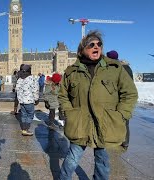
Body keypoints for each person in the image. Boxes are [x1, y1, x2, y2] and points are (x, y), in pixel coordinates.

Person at [58, 30, 138, 180]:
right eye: (91, 44)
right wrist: (69, 112)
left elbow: (130, 93)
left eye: (99, 44)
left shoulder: (114, 68)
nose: (96, 46)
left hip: (106, 123)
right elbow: (63, 95)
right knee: (72, 159)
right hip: (80, 123)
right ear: (82, 50)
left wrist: (121, 115)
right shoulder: (71, 72)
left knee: (102, 161)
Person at [106, 50, 134, 149]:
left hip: (118, 98)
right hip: (126, 98)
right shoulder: (127, 68)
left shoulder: (116, 68)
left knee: (117, 119)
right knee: (125, 120)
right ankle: (125, 142)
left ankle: (117, 140)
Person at [16, 64, 39, 136]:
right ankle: (26, 129)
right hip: (29, 101)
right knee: (30, 115)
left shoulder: (19, 79)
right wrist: (36, 99)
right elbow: (35, 90)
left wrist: (19, 99)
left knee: (23, 114)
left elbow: (17, 90)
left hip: (22, 101)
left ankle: (23, 128)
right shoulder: (32, 78)